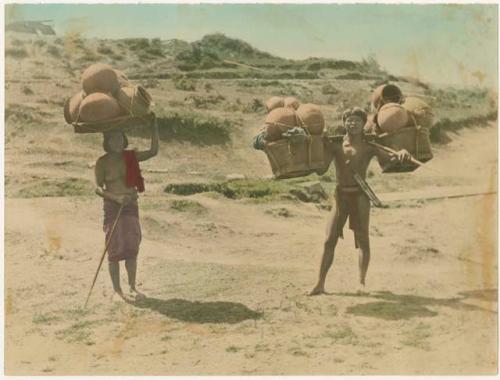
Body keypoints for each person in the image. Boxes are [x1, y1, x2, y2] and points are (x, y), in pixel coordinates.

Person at [309, 107, 410, 296]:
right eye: (349, 120)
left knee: (363, 240)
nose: (352, 123)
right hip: (341, 196)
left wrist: (402, 153)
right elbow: (322, 169)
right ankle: (320, 283)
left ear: (363, 124)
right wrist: (316, 148)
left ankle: (361, 283)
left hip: (360, 196)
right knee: (329, 239)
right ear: (343, 123)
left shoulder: (369, 145)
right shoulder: (335, 145)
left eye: (357, 120)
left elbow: (390, 159)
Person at [94, 116, 159, 300]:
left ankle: (132, 287)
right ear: (106, 141)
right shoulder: (102, 162)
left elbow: (153, 151)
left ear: (124, 139)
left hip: (130, 206)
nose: (116, 142)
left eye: (119, 138)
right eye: (112, 138)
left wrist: (154, 128)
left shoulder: (131, 157)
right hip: (112, 208)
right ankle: (117, 291)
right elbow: (98, 188)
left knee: (131, 247)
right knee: (113, 249)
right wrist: (116, 197)